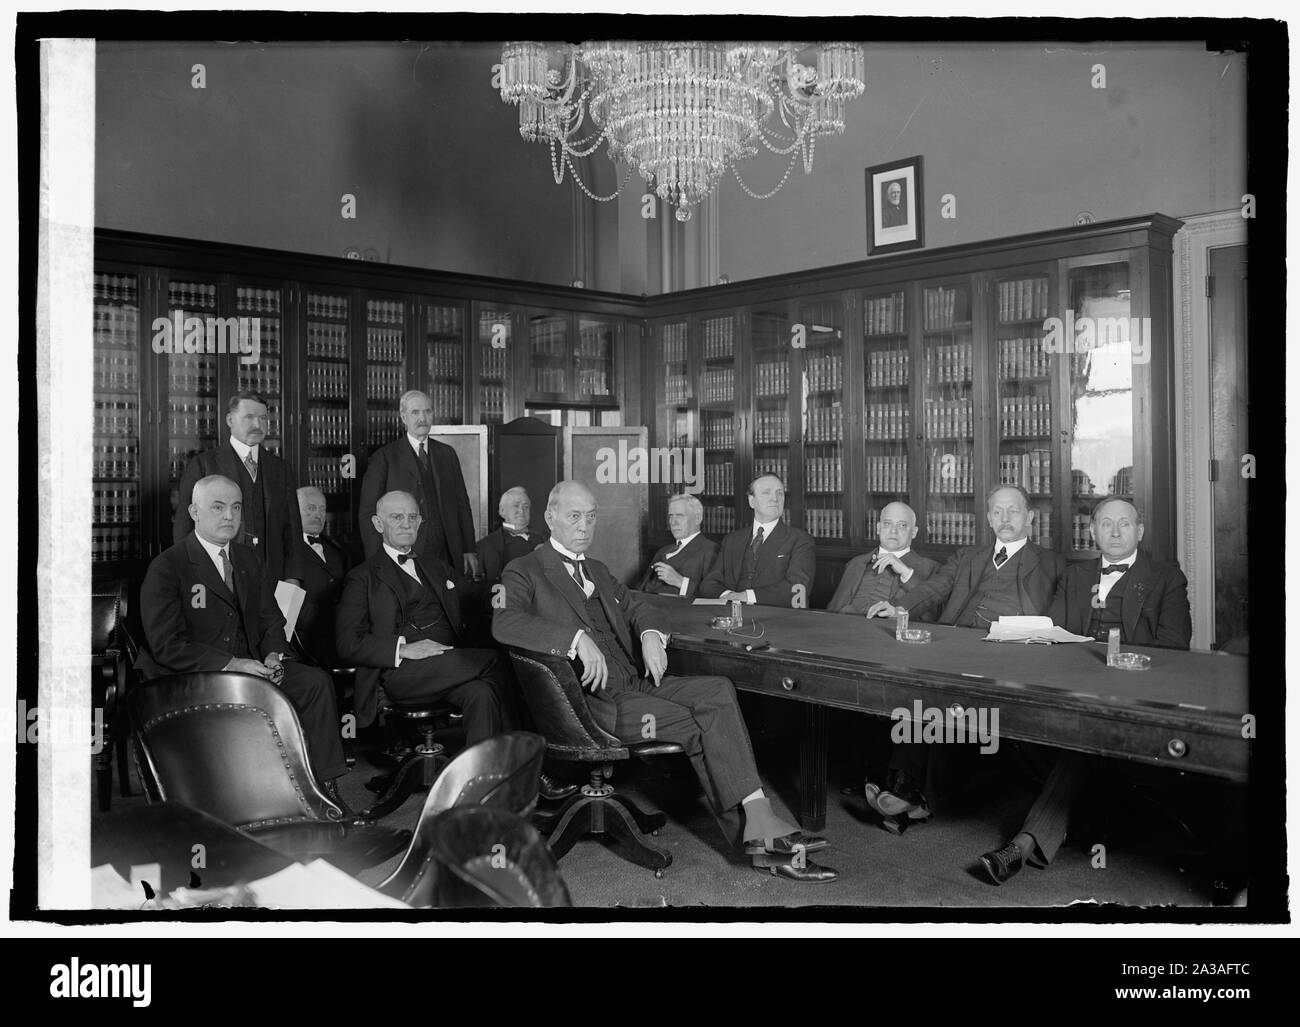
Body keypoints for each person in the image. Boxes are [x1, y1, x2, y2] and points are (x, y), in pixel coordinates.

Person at [493, 481, 838, 882]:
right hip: (591, 704)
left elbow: (642, 605)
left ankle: (760, 820)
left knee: (718, 689)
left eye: (590, 517)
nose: (584, 526)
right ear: (550, 517)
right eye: (574, 516)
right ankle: (761, 846)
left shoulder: (597, 570)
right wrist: (574, 639)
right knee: (695, 725)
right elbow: (504, 621)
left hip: (633, 680)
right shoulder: (524, 569)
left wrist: (651, 635)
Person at [978, 497, 1192, 885]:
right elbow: (1054, 631)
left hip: (1134, 696)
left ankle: (1024, 845)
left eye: (1124, 524)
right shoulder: (1076, 576)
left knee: (1083, 744)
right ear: (1092, 531)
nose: (1114, 532)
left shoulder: (1166, 578)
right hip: (1073, 689)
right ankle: (1078, 813)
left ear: (1139, 531)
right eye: (1105, 524)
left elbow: (1174, 650)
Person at [138, 474, 348, 800]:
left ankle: (323, 792)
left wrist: (275, 655)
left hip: (255, 667)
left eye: (236, 508)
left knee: (314, 682)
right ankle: (256, 796)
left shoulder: (248, 559)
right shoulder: (168, 567)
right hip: (199, 675)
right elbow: (167, 646)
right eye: (218, 507)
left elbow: (270, 619)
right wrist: (232, 664)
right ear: (194, 512)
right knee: (251, 693)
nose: (229, 516)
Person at [868, 485, 1065, 825]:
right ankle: (907, 789)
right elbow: (935, 589)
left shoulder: (1050, 563)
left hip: (1010, 654)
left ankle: (910, 793)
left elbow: (1058, 618)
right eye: (998, 512)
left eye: (1013, 511)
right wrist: (899, 607)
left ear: (1030, 517)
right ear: (988, 517)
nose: (1005, 518)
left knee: (953, 704)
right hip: (955, 644)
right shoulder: (967, 557)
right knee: (921, 687)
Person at [335, 490, 513, 744]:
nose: (406, 523)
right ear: (378, 524)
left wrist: (510, 589)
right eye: (396, 517)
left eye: (412, 517)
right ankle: (527, 754)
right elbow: (347, 643)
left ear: (420, 522)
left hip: (448, 662)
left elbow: (472, 594)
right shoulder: (362, 577)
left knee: (481, 692)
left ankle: (481, 776)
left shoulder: (436, 566)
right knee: (498, 660)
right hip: (402, 674)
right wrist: (404, 649)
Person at [174, 390, 305, 587]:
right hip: (221, 578)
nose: (257, 425)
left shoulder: (280, 468)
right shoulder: (203, 465)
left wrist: (293, 577)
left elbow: (292, 529)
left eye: (263, 418)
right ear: (229, 420)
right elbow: (184, 526)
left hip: (273, 580)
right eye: (249, 417)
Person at [358, 389, 480, 581]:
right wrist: (377, 560)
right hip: (405, 555)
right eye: (415, 412)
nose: (422, 418)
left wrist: (468, 549)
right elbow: (367, 514)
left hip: (447, 554)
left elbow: (462, 505)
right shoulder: (385, 457)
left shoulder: (447, 454)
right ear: (403, 417)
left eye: (428, 411)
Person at [696, 475, 816, 608]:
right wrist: (729, 596)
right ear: (751, 501)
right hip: (731, 616)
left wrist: (747, 596)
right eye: (766, 493)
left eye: (780, 493)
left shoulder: (800, 540)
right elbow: (709, 583)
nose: (775, 499)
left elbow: (799, 590)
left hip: (777, 620)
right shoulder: (732, 540)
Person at [827, 501, 939, 616]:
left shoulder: (930, 568)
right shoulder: (856, 562)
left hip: (888, 630)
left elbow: (930, 614)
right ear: (878, 528)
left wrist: (906, 573)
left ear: (914, 532)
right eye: (887, 524)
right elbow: (833, 608)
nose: (893, 531)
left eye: (902, 525)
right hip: (844, 625)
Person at [293, 486, 351, 668]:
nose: (318, 515)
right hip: (308, 640)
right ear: (294, 511)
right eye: (310, 508)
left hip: (343, 633)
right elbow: (291, 611)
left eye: (322, 509)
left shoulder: (338, 549)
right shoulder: (285, 552)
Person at [636, 493, 719, 599]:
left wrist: (680, 581)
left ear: (698, 518)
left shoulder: (711, 550)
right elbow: (641, 589)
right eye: (671, 516)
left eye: (680, 515)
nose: (673, 522)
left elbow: (715, 594)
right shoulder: (663, 551)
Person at [476, 486, 548, 584]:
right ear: (502, 511)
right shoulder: (485, 546)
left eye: (526, 507)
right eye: (516, 505)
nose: (521, 511)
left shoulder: (544, 540)